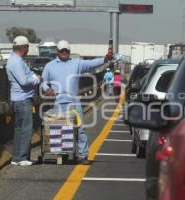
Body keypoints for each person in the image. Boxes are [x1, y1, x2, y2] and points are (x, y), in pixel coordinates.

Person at [41, 40, 113, 165]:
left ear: (69, 51)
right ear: (57, 51)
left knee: (80, 129)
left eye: (66, 50)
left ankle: (83, 155)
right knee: (59, 129)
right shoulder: (49, 66)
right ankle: (61, 153)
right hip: (58, 102)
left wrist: (105, 59)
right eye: (62, 50)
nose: (64, 52)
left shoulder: (76, 64)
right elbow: (43, 81)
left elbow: (91, 64)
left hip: (74, 102)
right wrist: (48, 89)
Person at [6, 36, 41, 166]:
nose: (28, 50)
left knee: (19, 129)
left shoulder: (16, 60)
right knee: (26, 128)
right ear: (23, 47)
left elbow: (27, 75)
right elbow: (24, 81)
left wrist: (31, 76)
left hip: (18, 99)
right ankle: (22, 157)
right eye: (27, 47)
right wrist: (36, 79)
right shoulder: (17, 62)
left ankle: (16, 157)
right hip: (23, 99)